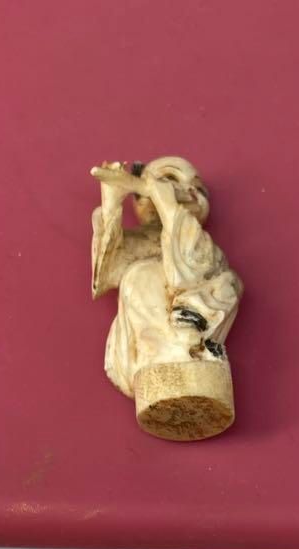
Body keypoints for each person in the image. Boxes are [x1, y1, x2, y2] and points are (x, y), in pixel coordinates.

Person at [90, 157, 243, 410]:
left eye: (196, 188)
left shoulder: (197, 239)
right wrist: (112, 201)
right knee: (140, 275)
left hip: (195, 311)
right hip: (149, 336)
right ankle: (165, 353)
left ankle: (189, 343)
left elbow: (196, 265)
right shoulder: (138, 245)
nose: (187, 191)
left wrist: (156, 194)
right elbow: (109, 273)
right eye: (168, 181)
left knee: (229, 284)